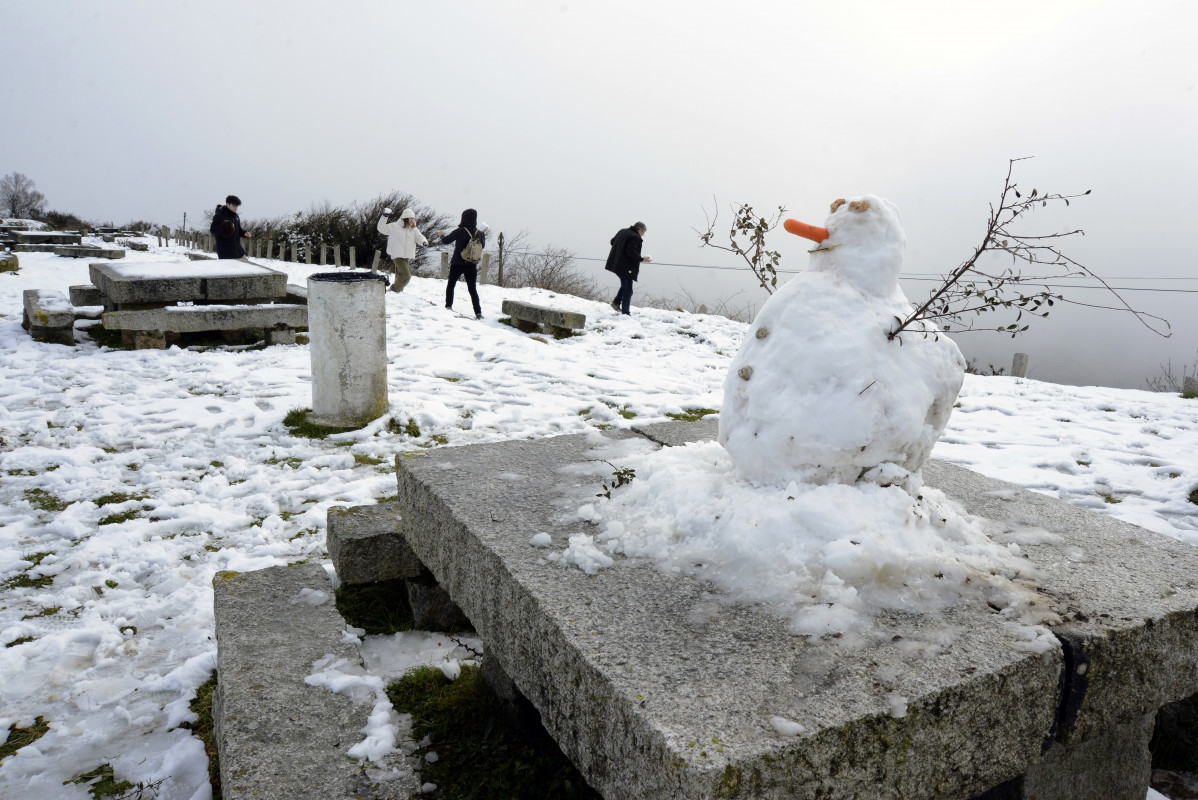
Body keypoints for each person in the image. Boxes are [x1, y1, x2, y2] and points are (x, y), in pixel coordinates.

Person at [438, 208, 485, 319]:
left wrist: (441, 235)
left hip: (457, 263)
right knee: (472, 289)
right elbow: (482, 246)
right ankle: (478, 313)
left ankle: (448, 306)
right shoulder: (480, 233)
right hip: (471, 264)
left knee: (451, 285)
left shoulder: (460, 231)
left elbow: (446, 241)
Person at [377, 207, 428, 293]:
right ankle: (394, 290)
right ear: (405, 218)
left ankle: (398, 293)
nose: (412, 220)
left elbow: (419, 237)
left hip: (406, 255)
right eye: (410, 218)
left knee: (400, 275)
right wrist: (384, 216)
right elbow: (381, 228)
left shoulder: (413, 229)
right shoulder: (394, 226)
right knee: (406, 276)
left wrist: (424, 242)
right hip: (396, 255)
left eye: (413, 218)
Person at [604, 221, 650, 315]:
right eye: (643, 233)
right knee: (628, 290)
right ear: (640, 230)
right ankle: (625, 312)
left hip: (616, 263)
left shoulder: (622, 231)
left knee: (625, 286)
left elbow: (612, 242)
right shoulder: (635, 237)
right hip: (625, 267)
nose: (642, 235)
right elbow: (631, 252)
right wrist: (642, 259)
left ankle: (616, 302)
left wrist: (619, 251)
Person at [210, 195, 252, 260]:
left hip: (239, 251)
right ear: (227, 204)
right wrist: (224, 228)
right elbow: (212, 230)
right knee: (232, 270)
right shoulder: (219, 215)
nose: (236, 208)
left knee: (248, 267)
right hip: (226, 253)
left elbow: (238, 229)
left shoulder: (236, 216)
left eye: (237, 206)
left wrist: (244, 233)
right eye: (234, 206)